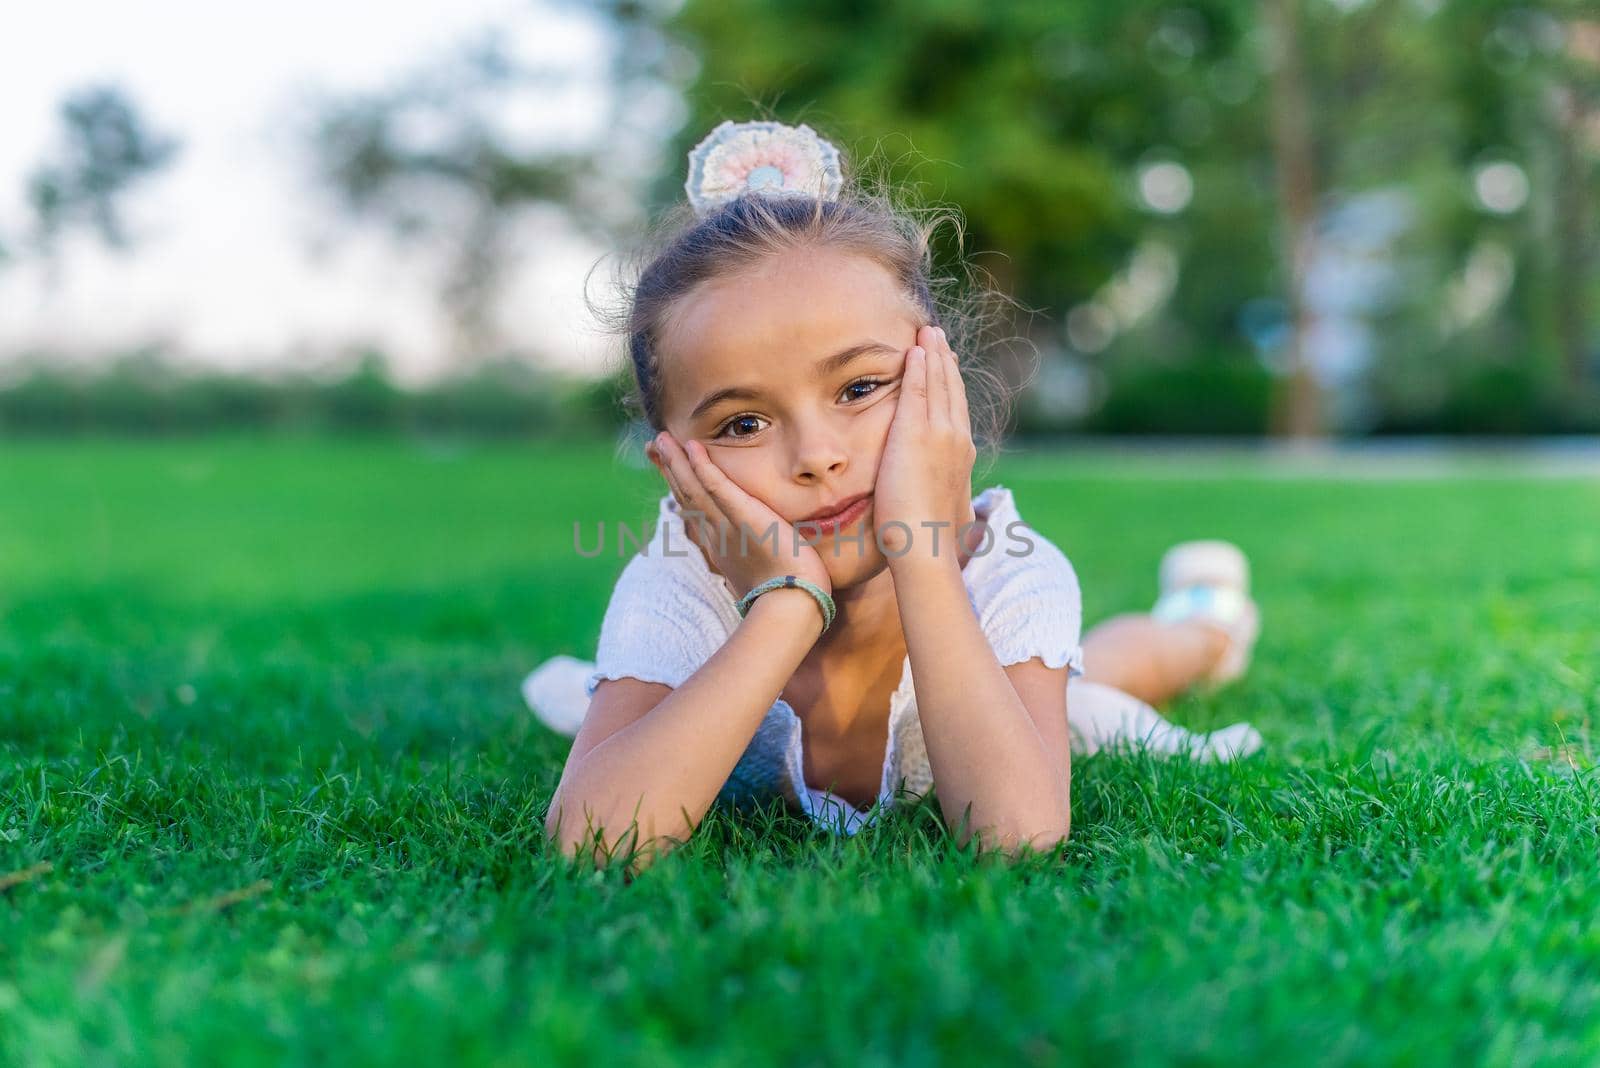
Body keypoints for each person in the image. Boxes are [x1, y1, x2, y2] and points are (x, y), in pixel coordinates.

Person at [526, 119, 1262, 871]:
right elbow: (593, 842)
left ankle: (1205, 622)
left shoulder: (1007, 570)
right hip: (757, 628)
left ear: (938, 386)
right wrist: (784, 604)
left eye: (859, 387)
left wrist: (929, 561)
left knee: (1093, 691)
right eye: (743, 422)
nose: (817, 457)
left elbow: (1017, 835)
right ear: (675, 469)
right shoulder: (680, 581)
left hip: (992, 696)